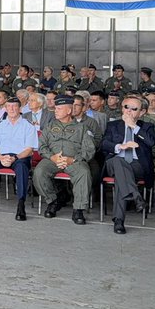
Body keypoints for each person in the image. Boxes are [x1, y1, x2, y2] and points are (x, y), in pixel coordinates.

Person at [33, 95, 95, 224]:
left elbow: (89, 150)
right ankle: (52, 201)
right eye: (55, 108)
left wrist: (72, 160)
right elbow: (42, 146)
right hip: (52, 159)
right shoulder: (50, 126)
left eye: (59, 108)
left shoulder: (81, 128)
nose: (55, 111)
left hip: (73, 160)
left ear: (68, 111)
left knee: (84, 173)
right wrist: (52, 157)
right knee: (39, 172)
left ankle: (78, 209)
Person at [101, 94, 155, 234]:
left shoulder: (147, 126)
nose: (128, 111)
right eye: (126, 107)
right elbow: (103, 144)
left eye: (134, 109)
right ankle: (136, 195)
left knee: (123, 177)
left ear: (142, 112)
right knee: (118, 161)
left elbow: (151, 143)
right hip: (113, 162)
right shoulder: (113, 125)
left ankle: (119, 221)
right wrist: (120, 146)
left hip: (137, 165)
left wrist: (134, 127)